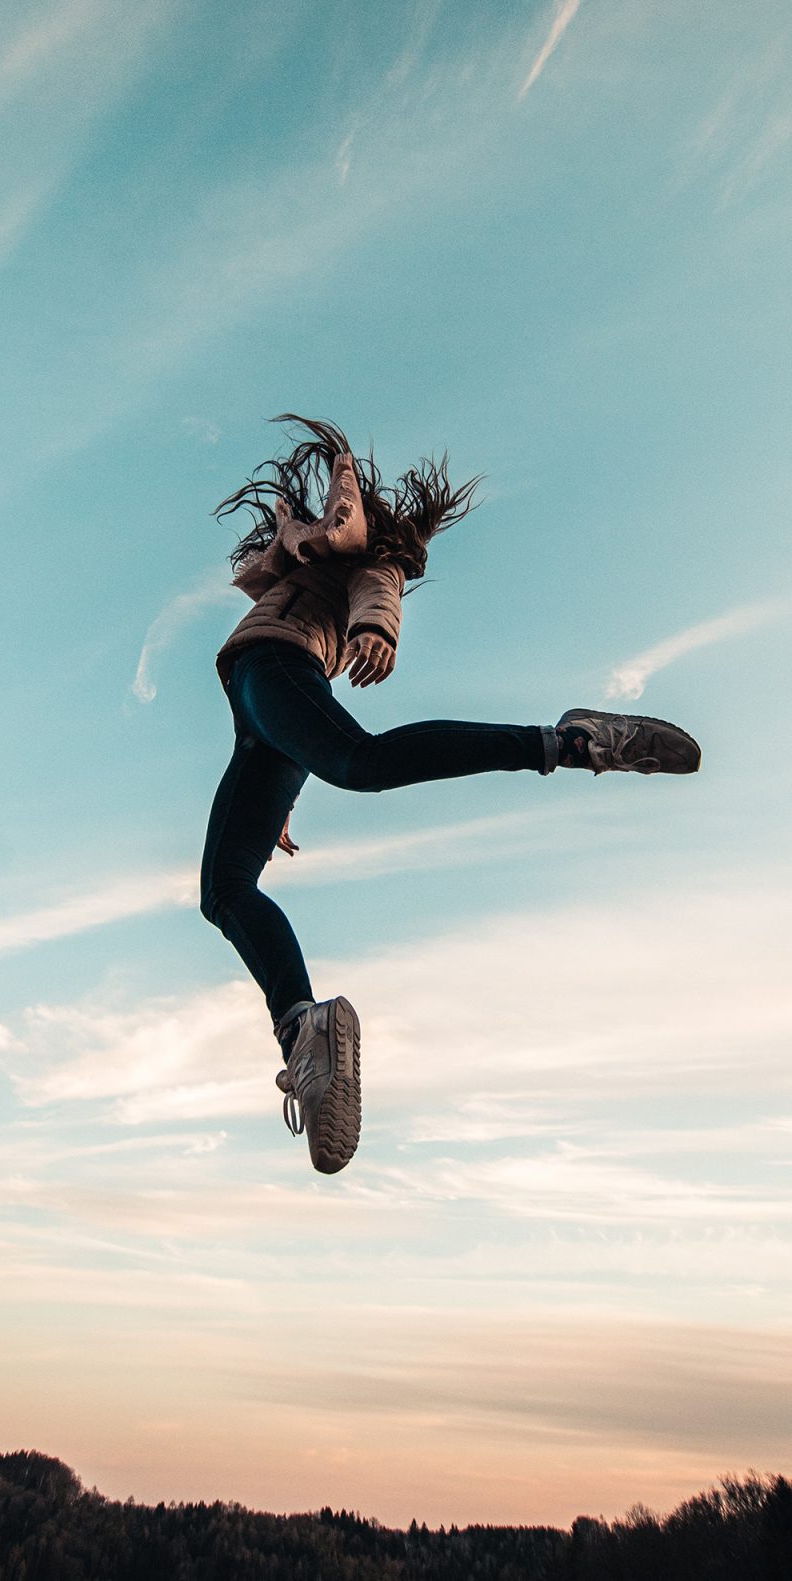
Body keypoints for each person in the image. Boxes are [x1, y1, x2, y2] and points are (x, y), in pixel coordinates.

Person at [200, 415, 700, 1176]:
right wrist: (281, 790)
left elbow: (379, 584)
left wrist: (378, 627)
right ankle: (304, 1030)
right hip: (262, 715)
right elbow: (274, 678)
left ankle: (568, 742)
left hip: (277, 674)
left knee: (361, 761)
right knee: (225, 887)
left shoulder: (368, 557)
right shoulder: (310, 568)